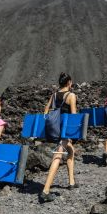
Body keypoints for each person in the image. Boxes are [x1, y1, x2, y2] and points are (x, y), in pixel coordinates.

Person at [40, 72, 78, 202]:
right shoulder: (71, 95)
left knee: (71, 150)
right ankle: (45, 190)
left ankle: (71, 182)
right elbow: (73, 116)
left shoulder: (54, 95)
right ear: (69, 83)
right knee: (58, 156)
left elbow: (46, 110)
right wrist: (72, 134)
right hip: (65, 131)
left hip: (55, 129)